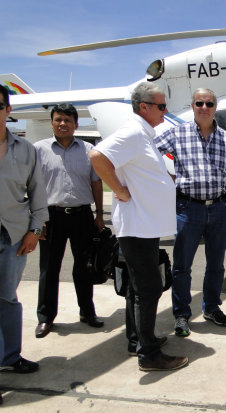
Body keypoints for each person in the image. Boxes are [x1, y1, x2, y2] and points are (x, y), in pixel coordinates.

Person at [90, 82, 187, 371]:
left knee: (137, 288)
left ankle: (139, 340)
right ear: (143, 107)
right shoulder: (133, 132)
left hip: (144, 226)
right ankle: (148, 354)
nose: (165, 111)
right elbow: (97, 156)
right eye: (161, 106)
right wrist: (119, 190)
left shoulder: (143, 135)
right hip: (137, 227)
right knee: (149, 288)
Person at [155, 88, 226, 337]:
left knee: (216, 265)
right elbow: (149, 154)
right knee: (182, 266)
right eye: (199, 103)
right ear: (192, 106)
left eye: (209, 103)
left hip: (219, 208)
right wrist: (166, 178)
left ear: (215, 107)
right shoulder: (177, 133)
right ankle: (182, 315)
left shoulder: (225, 137)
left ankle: (212, 308)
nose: (204, 107)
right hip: (188, 209)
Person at [33, 104, 104, 338]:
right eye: (58, 119)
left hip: (82, 216)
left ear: (76, 124)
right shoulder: (39, 150)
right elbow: (32, 187)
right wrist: (37, 219)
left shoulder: (87, 150)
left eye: (67, 120)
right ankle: (45, 318)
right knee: (49, 268)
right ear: (52, 123)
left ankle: (87, 312)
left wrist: (100, 214)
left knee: (84, 267)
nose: (62, 124)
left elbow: (96, 183)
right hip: (50, 217)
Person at [0, 85, 49, 377]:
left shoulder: (26, 150)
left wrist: (35, 230)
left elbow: (38, 195)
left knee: (7, 298)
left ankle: (9, 356)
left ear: (8, 111)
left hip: (12, 235)